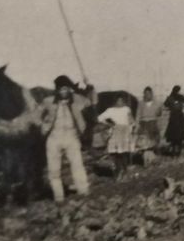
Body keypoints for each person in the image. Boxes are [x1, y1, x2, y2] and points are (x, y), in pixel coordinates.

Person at [40, 75, 91, 203]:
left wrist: (90, 87)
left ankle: (84, 192)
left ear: (69, 89)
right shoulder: (48, 101)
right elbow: (36, 114)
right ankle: (59, 197)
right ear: (57, 90)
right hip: (54, 137)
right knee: (54, 169)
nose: (64, 91)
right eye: (61, 89)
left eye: (66, 88)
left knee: (77, 165)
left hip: (71, 136)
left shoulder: (77, 99)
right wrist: (43, 126)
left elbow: (92, 101)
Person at [98, 94, 133, 179]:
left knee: (124, 152)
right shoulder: (110, 110)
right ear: (115, 101)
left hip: (125, 131)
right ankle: (118, 170)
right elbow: (99, 118)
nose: (120, 102)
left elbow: (131, 120)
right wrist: (109, 124)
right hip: (116, 131)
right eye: (118, 101)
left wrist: (131, 128)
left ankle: (125, 170)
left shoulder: (126, 109)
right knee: (115, 153)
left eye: (122, 101)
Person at [135, 86, 161, 157]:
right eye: (146, 94)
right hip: (143, 123)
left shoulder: (156, 103)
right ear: (144, 94)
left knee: (154, 139)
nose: (147, 95)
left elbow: (159, 114)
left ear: (152, 94)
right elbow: (138, 114)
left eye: (149, 93)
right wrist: (137, 124)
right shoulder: (141, 103)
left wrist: (159, 112)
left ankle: (155, 153)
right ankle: (144, 155)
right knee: (144, 140)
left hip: (153, 122)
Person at [163, 85, 184, 156]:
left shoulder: (181, 97)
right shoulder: (170, 98)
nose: (179, 92)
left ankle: (178, 151)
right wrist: (170, 109)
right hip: (173, 118)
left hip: (180, 118)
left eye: (179, 91)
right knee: (173, 135)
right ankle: (173, 151)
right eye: (178, 91)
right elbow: (165, 105)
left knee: (180, 135)